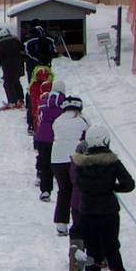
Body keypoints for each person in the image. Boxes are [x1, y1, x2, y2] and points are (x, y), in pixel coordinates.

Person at [70, 124, 136, 271]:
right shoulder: (112, 162)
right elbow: (129, 184)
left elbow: (78, 184)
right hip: (108, 212)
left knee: (92, 252)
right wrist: (113, 187)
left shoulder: (80, 163)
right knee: (112, 250)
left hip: (87, 212)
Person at [49, 94, 88, 234]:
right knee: (78, 190)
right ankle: (78, 220)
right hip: (76, 159)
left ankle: (61, 223)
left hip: (57, 159)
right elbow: (87, 138)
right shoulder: (82, 120)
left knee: (64, 190)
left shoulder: (57, 121)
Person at [32, 76, 70, 202]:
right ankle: (66, 187)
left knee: (45, 163)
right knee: (62, 162)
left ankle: (45, 190)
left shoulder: (43, 100)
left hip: (42, 136)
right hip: (57, 136)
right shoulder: (65, 101)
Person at [0, 28, 27, 108]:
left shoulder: (1, 43)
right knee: (16, 82)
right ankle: (20, 100)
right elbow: (23, 51)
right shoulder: (16, 40)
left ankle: (12, 101)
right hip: (18, 66)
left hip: (8, 67)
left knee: (8, 84)